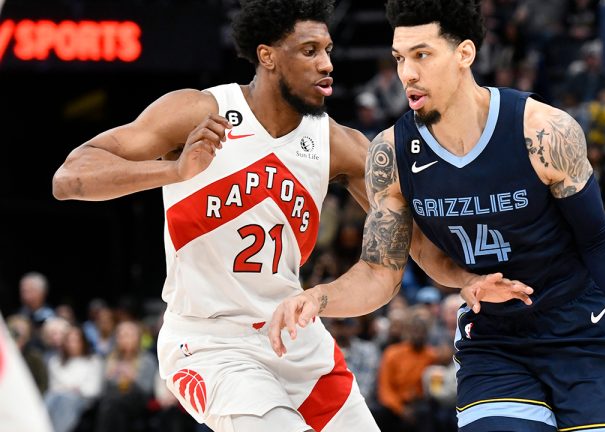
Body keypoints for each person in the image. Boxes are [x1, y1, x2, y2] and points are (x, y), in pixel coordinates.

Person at [51, 1, 532, 431]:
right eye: (309, 51)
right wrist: (174, 171)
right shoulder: (200, 110)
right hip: (210, 342)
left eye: (327, 50)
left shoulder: (336, 144)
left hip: (295, 340)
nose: (326, 64)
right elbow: (71, 177)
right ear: (267, 56)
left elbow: (415, 241)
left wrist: (465, 279)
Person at [269, 1, 605, 431]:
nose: (407, 73)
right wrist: (318, 297)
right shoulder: (391, 155)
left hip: (582, 331)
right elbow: (379, 272)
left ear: (465, 54)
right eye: (399, 58)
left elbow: (597, 238)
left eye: (422, 55)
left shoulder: (543, 131)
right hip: (495, 340)